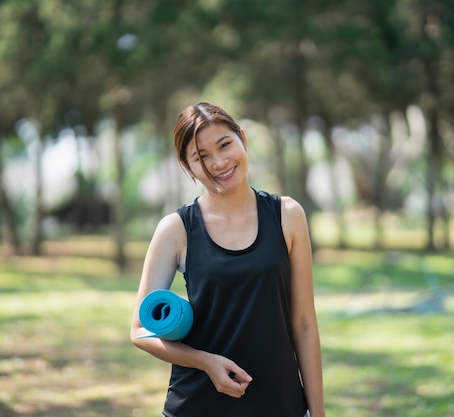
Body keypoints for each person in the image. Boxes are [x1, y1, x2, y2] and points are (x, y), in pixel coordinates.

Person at [130, 102, 326, 417]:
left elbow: (303, 323)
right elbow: (140, 331)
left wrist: (317, 414)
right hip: (196, 405)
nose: (218, 162)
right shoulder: (176, 229)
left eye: (224, 145)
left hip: (279, 404)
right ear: (187, 166)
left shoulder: (288, 215)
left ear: (243, 140)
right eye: (201, 156)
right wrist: (205, 362)